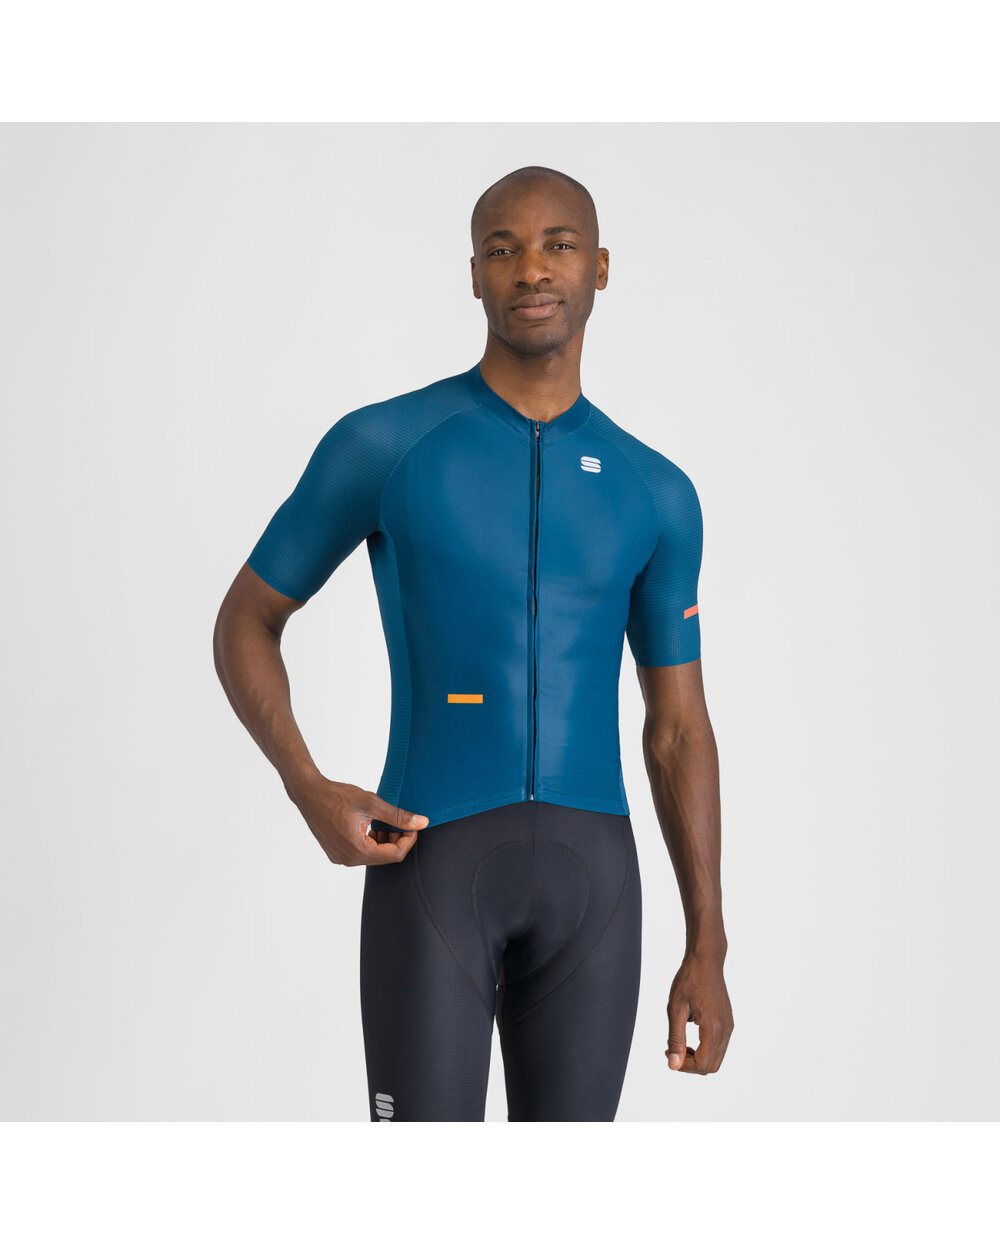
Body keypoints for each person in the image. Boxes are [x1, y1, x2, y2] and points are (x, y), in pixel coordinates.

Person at [213, 164, 733, 1121]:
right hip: (432, 866)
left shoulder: (657, 492)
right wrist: (304, 783)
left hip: (596, 884)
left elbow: (678, 729)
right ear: (474, 276)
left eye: (558, 245)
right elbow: (246, 618)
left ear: (600, 267)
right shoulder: (386, 444)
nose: (531, 269)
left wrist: (709, 941)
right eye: (503, 250)